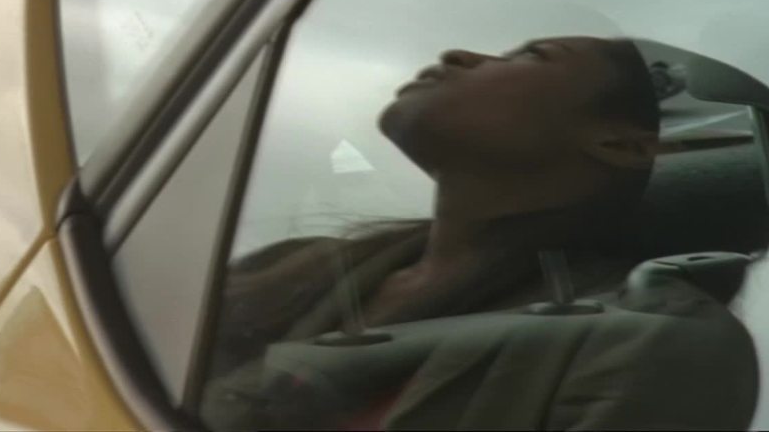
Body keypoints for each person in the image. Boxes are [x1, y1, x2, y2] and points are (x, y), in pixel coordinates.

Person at [200, 36, 756, 431]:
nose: (458, 54)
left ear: (622, 145)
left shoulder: (665, 347)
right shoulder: (285, 265)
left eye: (532, 55)